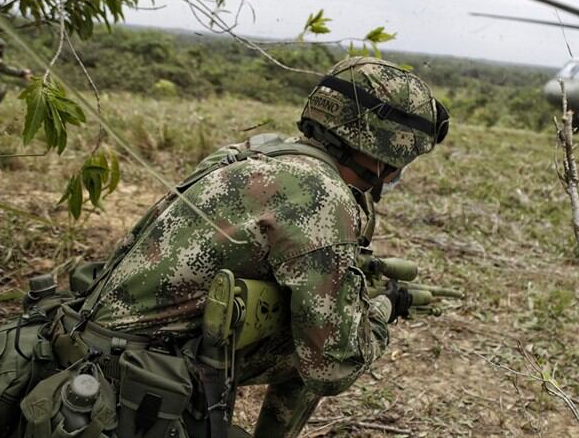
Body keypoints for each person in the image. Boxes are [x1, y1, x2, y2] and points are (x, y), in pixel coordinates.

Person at [69, 56, 450, 437]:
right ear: (387, 152)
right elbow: (333, 368)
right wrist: (380, 312)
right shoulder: (324, 196)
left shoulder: (253, 153)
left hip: (86, 348)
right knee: (325, 340)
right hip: (134, 382)